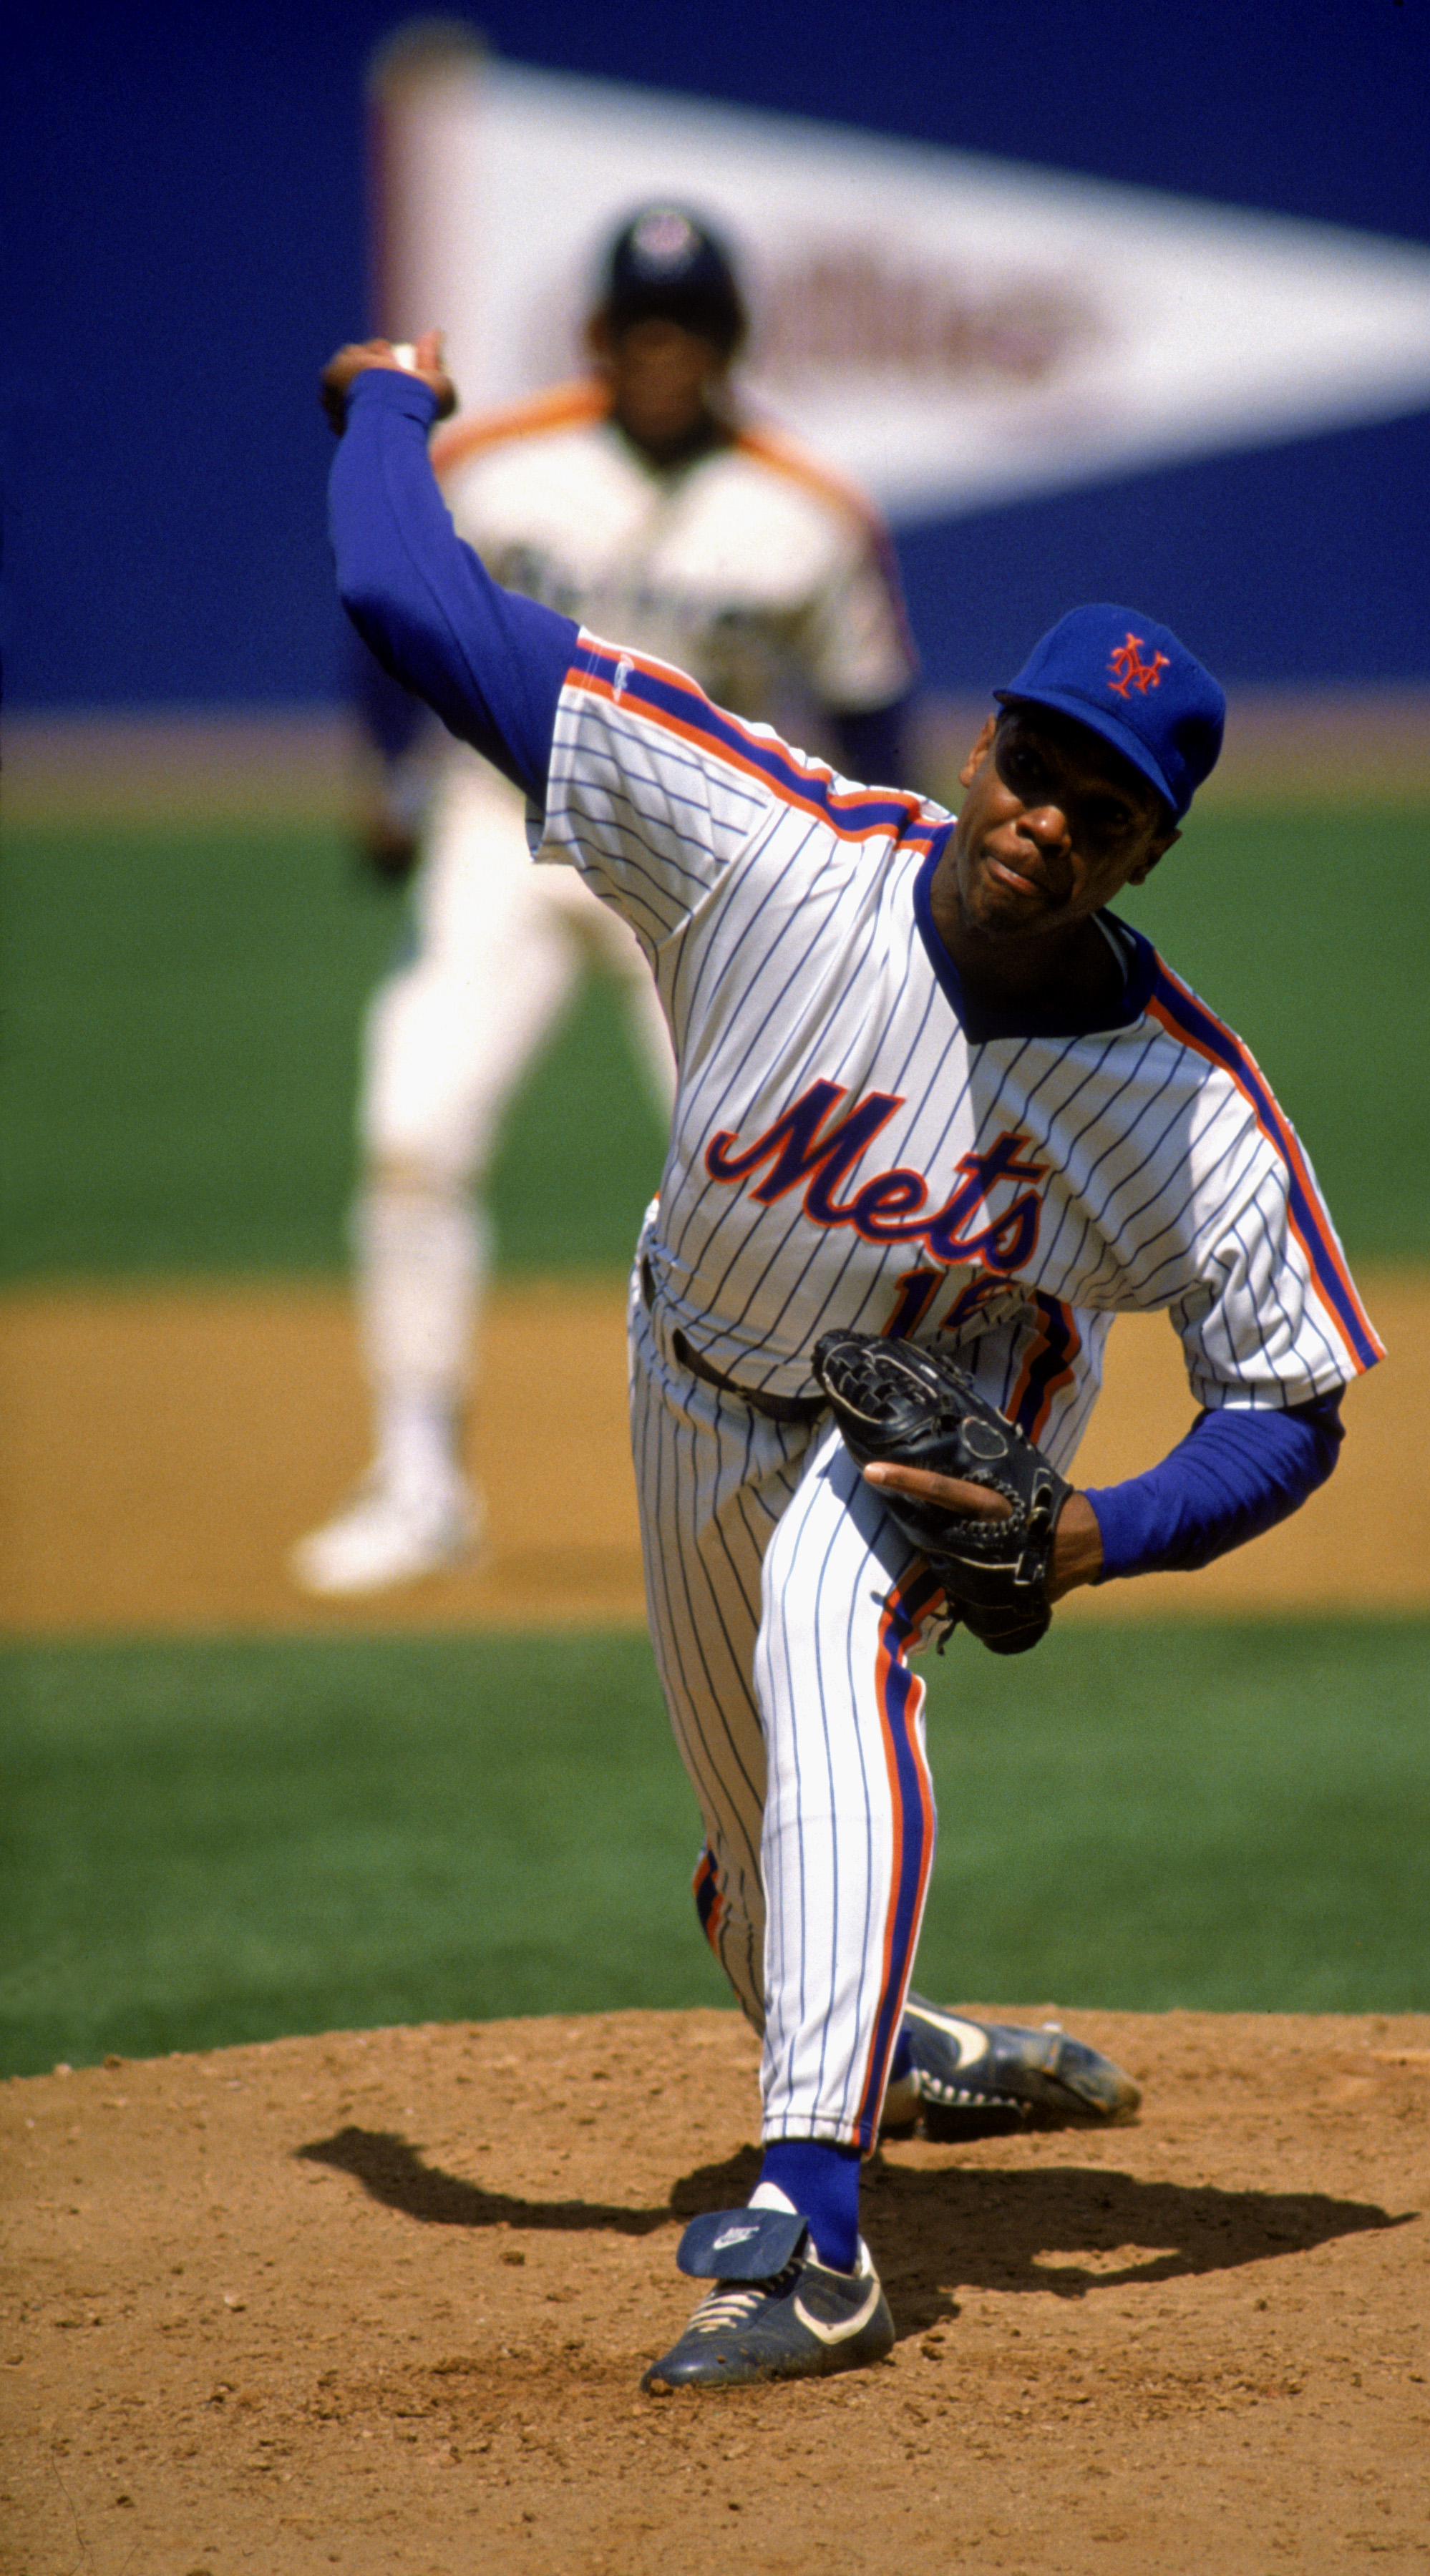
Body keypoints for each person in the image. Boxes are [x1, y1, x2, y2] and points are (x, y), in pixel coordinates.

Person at [319, 331, 1384, 2392]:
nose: (1055, 820)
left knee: (832, 1638)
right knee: (749, 1875)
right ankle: (888, 2046)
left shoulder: (1181, 1112)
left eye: (1112, 807)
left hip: (927, 1434)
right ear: (981, 743)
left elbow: (1289, 1399)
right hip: (684, 1371)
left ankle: (812, 2229)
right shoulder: (754, 838)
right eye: (1044, 762)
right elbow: (400, 599)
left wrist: (1094, 1529)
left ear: (1153, 854)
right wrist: (385, 399)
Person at [296, 206, 920, 1596]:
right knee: (414, 1130)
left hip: (703, 871)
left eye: (689, 328)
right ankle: (416, 1477)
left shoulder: (808, 513)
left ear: (729, 342)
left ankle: (835, 1488)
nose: (664, 353)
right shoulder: (506, 466)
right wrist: (385, 775)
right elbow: (396, 607)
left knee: (781, 1182)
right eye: (643, 326)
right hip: (501, 831)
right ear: (598, 336)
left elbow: (875, 715)